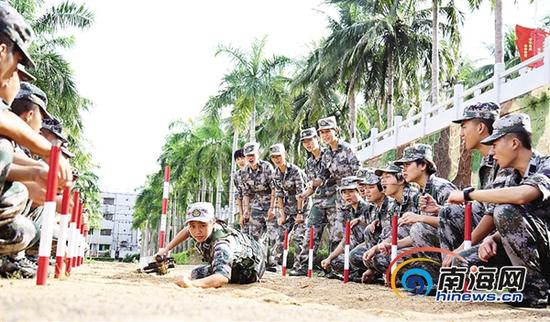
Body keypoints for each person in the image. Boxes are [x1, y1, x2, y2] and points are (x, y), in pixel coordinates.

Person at [448, 113, 550, 308]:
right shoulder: (511, 177)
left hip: (546, 252)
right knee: (462, 263)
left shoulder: (546, 165)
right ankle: (515, 285)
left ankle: (535, 290)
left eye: (495, 145)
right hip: (530, 255)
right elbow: (515, 223)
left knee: (504, 211)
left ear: (514, 143)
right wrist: (491, 239)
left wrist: (469, 194)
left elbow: (524, 195)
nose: (492, 152)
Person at [441, 102, 511, 267]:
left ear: (480, 127)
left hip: (504, 238)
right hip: (492, 236)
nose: (461, 134)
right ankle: (449, 268)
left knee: (460, 258)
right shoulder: (485, 163)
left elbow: (494, 211)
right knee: (449, 211)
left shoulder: (505, 159)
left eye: (464, 127)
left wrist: (461, 248)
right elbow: (483, 208)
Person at [174, 202, 265, 288]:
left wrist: (191, 284)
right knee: (196, 273)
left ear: (213, 222)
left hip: (251, 269)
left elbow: (221, 277)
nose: (197, 231)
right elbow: (186, 231)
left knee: (199, 274)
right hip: (247, 255)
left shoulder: (222, 244)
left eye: (202, 225)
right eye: (193, 226)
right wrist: (165, 250)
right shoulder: (205, 230)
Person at [290, 127, 328, 276]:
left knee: (337, 235)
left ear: (316, 139)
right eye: (305, 142)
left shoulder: (329, 155)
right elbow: (311, 186)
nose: (308, 144)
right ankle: (303, 266)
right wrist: (304, 195)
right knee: (310, 233)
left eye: (310, 140)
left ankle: (333, 268)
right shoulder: (309, 163)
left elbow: (324, 179)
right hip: (318, 201)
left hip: (335, 199)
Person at [269, 143, 309, 274]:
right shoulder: (275, 173)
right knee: (281, 234)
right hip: (288, 208)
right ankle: (274, 264)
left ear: (284, 155)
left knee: (299, 236)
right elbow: (279, 195)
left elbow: (300, 194)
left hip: (302, 207)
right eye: (274, 157)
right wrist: (282, 215)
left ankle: (299, 267)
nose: (277, 159)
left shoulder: (295, 171)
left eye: (279, 156)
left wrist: (299, 214)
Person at [320, 176, 368, 282]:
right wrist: (329, 257)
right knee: (334, 261)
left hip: (368, 250)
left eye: (351, 191)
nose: (347, 195)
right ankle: (356, 272)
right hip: (354, 252)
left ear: (359, 191)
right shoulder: (348, 212)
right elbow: (346, 240)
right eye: (344, 192)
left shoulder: (368, 208)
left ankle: (368, 272)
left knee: (353, 256)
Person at [240, 142, 278, 271]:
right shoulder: (244, 172)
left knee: (273, 235)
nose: (250, 158)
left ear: (258, 154)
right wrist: (246, 210)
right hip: (256, 205)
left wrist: (272, 208)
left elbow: (275, 189)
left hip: (270, 203)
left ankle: (273, 263)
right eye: (248, 155)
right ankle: (257, 262)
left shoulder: (267, 167)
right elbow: (246, 193)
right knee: (254, 235)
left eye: (252, 155)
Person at [232, 149, 247, 228]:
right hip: (245, 211)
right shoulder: (237, 176)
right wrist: (241, 215)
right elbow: (238, 196)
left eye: (242, 158)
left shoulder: (255, 171)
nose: (241, 161)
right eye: (238, 159)